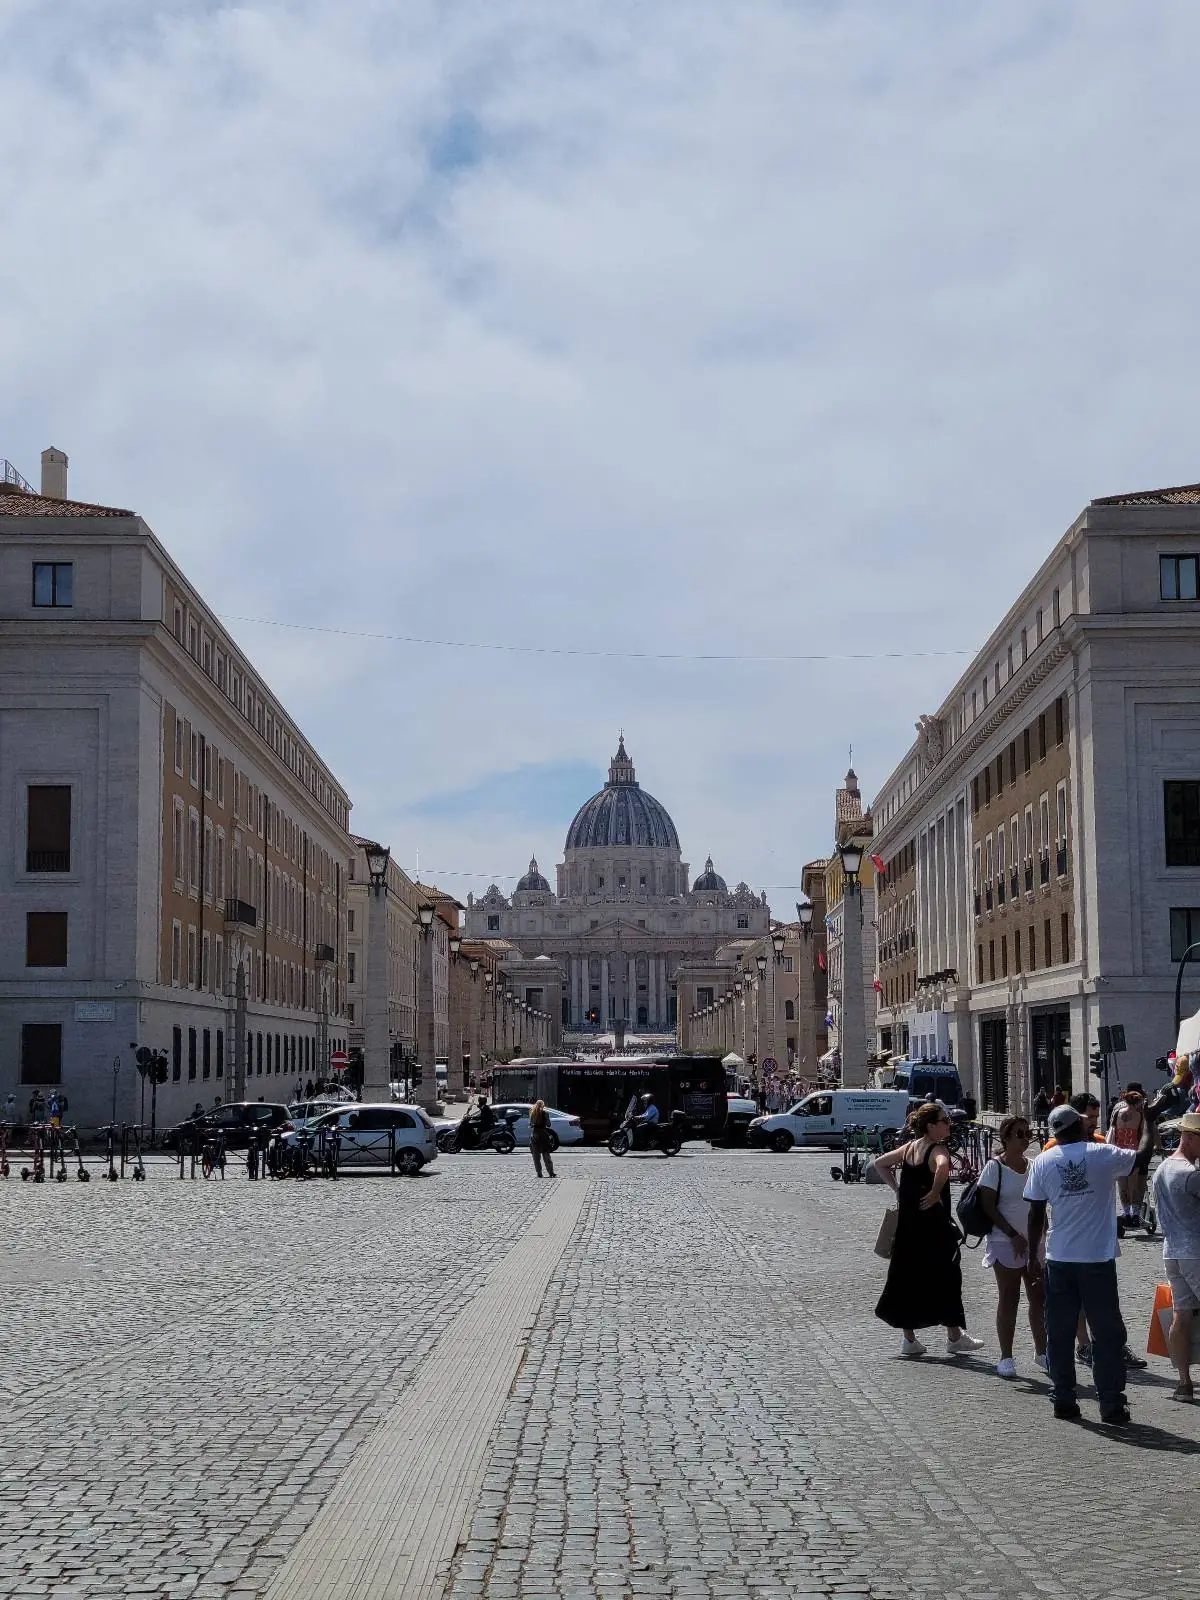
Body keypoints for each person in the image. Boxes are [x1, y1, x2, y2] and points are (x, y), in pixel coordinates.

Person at [1026, 1101, 1156, 1425]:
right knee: (1107, 1334)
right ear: (1079, 1127)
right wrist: (1148, 1125)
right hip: (1097, 1259)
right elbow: (1141, 1157)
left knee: (1059, 1332)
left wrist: (1032, 1255)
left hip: (1059, 1258)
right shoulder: (1101, 1153)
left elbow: (1035, 1212)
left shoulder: (1042, 1161)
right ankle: (1111, 1404)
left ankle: (1064, 1399)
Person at [873, 1102, 985, 1359]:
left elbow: (880, 1163)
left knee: (905, 1280)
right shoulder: (937, 1148)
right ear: (932, 1126)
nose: (949, 1124)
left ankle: (909, 1340)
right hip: (933, 1229)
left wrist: (898, 1189)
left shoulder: (910, 1148)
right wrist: (935, 1193)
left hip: (908, 1228)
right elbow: (943, 1166)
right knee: (947, 1277)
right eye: (944, 1120)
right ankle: (955, 1337)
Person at [978, 1116, 1047, 1378]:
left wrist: (1042, 1234)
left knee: (1038, 1297)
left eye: (1027, 1133)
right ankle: (1006, 1356)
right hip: (1003, 1240)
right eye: (1019, 1134)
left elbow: (1040, 1204)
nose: (1025, 1138)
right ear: (1005, 1137)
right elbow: (988, 1205)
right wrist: (1012, 1234)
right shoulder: (994, 1167)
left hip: (1034, 1242)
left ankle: (1042, 1352)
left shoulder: (1035, 1166)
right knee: (1009, 1297)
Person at [1151, 1110, 1200, 1401]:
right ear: (1192, 1139)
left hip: (1172, 1250)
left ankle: (1184, 1383)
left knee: (1181, 1316)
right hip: (1195, 1250)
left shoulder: (1163, 1168)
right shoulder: (1191, 1174)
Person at [1108, 1086, 1148, 1226]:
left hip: (1118, 1151)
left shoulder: (1118, 1112)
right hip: (1133, 1152)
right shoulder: (1140, 1115)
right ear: (1137, 1102)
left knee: (1122, 1184)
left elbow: (1112, 1130)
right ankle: (1135, 1214)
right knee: (1134, 1184)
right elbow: (1144, 1133)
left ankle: (1126, 1213)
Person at [529, 1099, 555, 1179]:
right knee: (546, 1154)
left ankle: (539, 1172)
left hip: (535, 1135)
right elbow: (549, 1124)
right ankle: (551, 1172)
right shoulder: (545, 1113)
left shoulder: (532, 1113)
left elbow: (530, 1124)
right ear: (543, 1105)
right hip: (543, 1134)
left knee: (536, 1156)